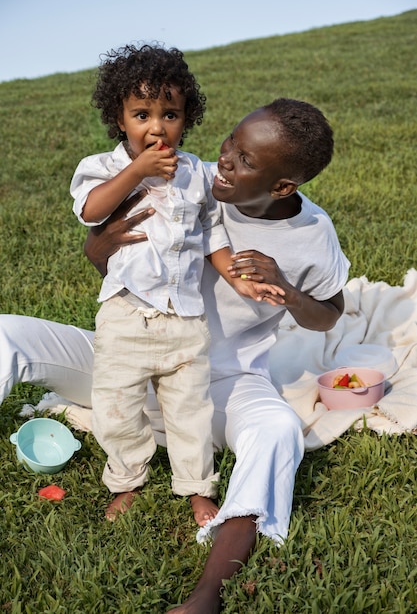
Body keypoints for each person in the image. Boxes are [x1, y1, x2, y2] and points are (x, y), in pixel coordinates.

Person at [0, 97, 350, 613]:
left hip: (221, 384)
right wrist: (96, 251)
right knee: (6, 332)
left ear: (283, 187)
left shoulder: (312, 234)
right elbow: (110, 249)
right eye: (232, 141)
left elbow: (331, 313)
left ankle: (207, 591)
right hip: (130, 355)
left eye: (247, 160)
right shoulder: (184, 178)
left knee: (277, 430)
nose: (226, 159)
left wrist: (289, 291)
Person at [70, 43, 279, 524]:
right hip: (126, 313)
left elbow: (211, 232)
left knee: (191, 410)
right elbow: (91, 210)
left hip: (185, 318)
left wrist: (236, 276)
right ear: (120, 119)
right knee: (116, 408)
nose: (157, 127)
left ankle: (195, 486)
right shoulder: (102, 167)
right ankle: (128, 480)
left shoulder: (194, 175)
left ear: (187, 119)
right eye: (141, 114)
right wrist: (136, 171)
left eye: (171, 114)